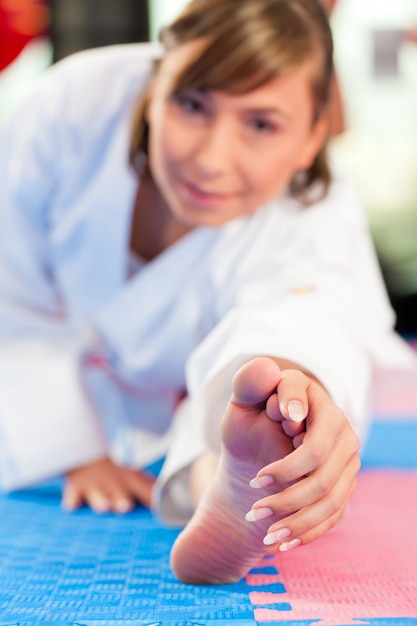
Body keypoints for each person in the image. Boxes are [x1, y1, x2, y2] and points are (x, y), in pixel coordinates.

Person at [0, 0, 414, 584]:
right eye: (192, 105)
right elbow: (10, 275)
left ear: (313, 136)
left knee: (262, 390)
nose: (211, 160)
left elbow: (313, 315)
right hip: (52, 372)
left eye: (261, 123)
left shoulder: (313, 209)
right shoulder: (76, 104)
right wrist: (74, 448)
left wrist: (298, 394)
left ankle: (238, 476)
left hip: (201, 384)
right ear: (156, 78)